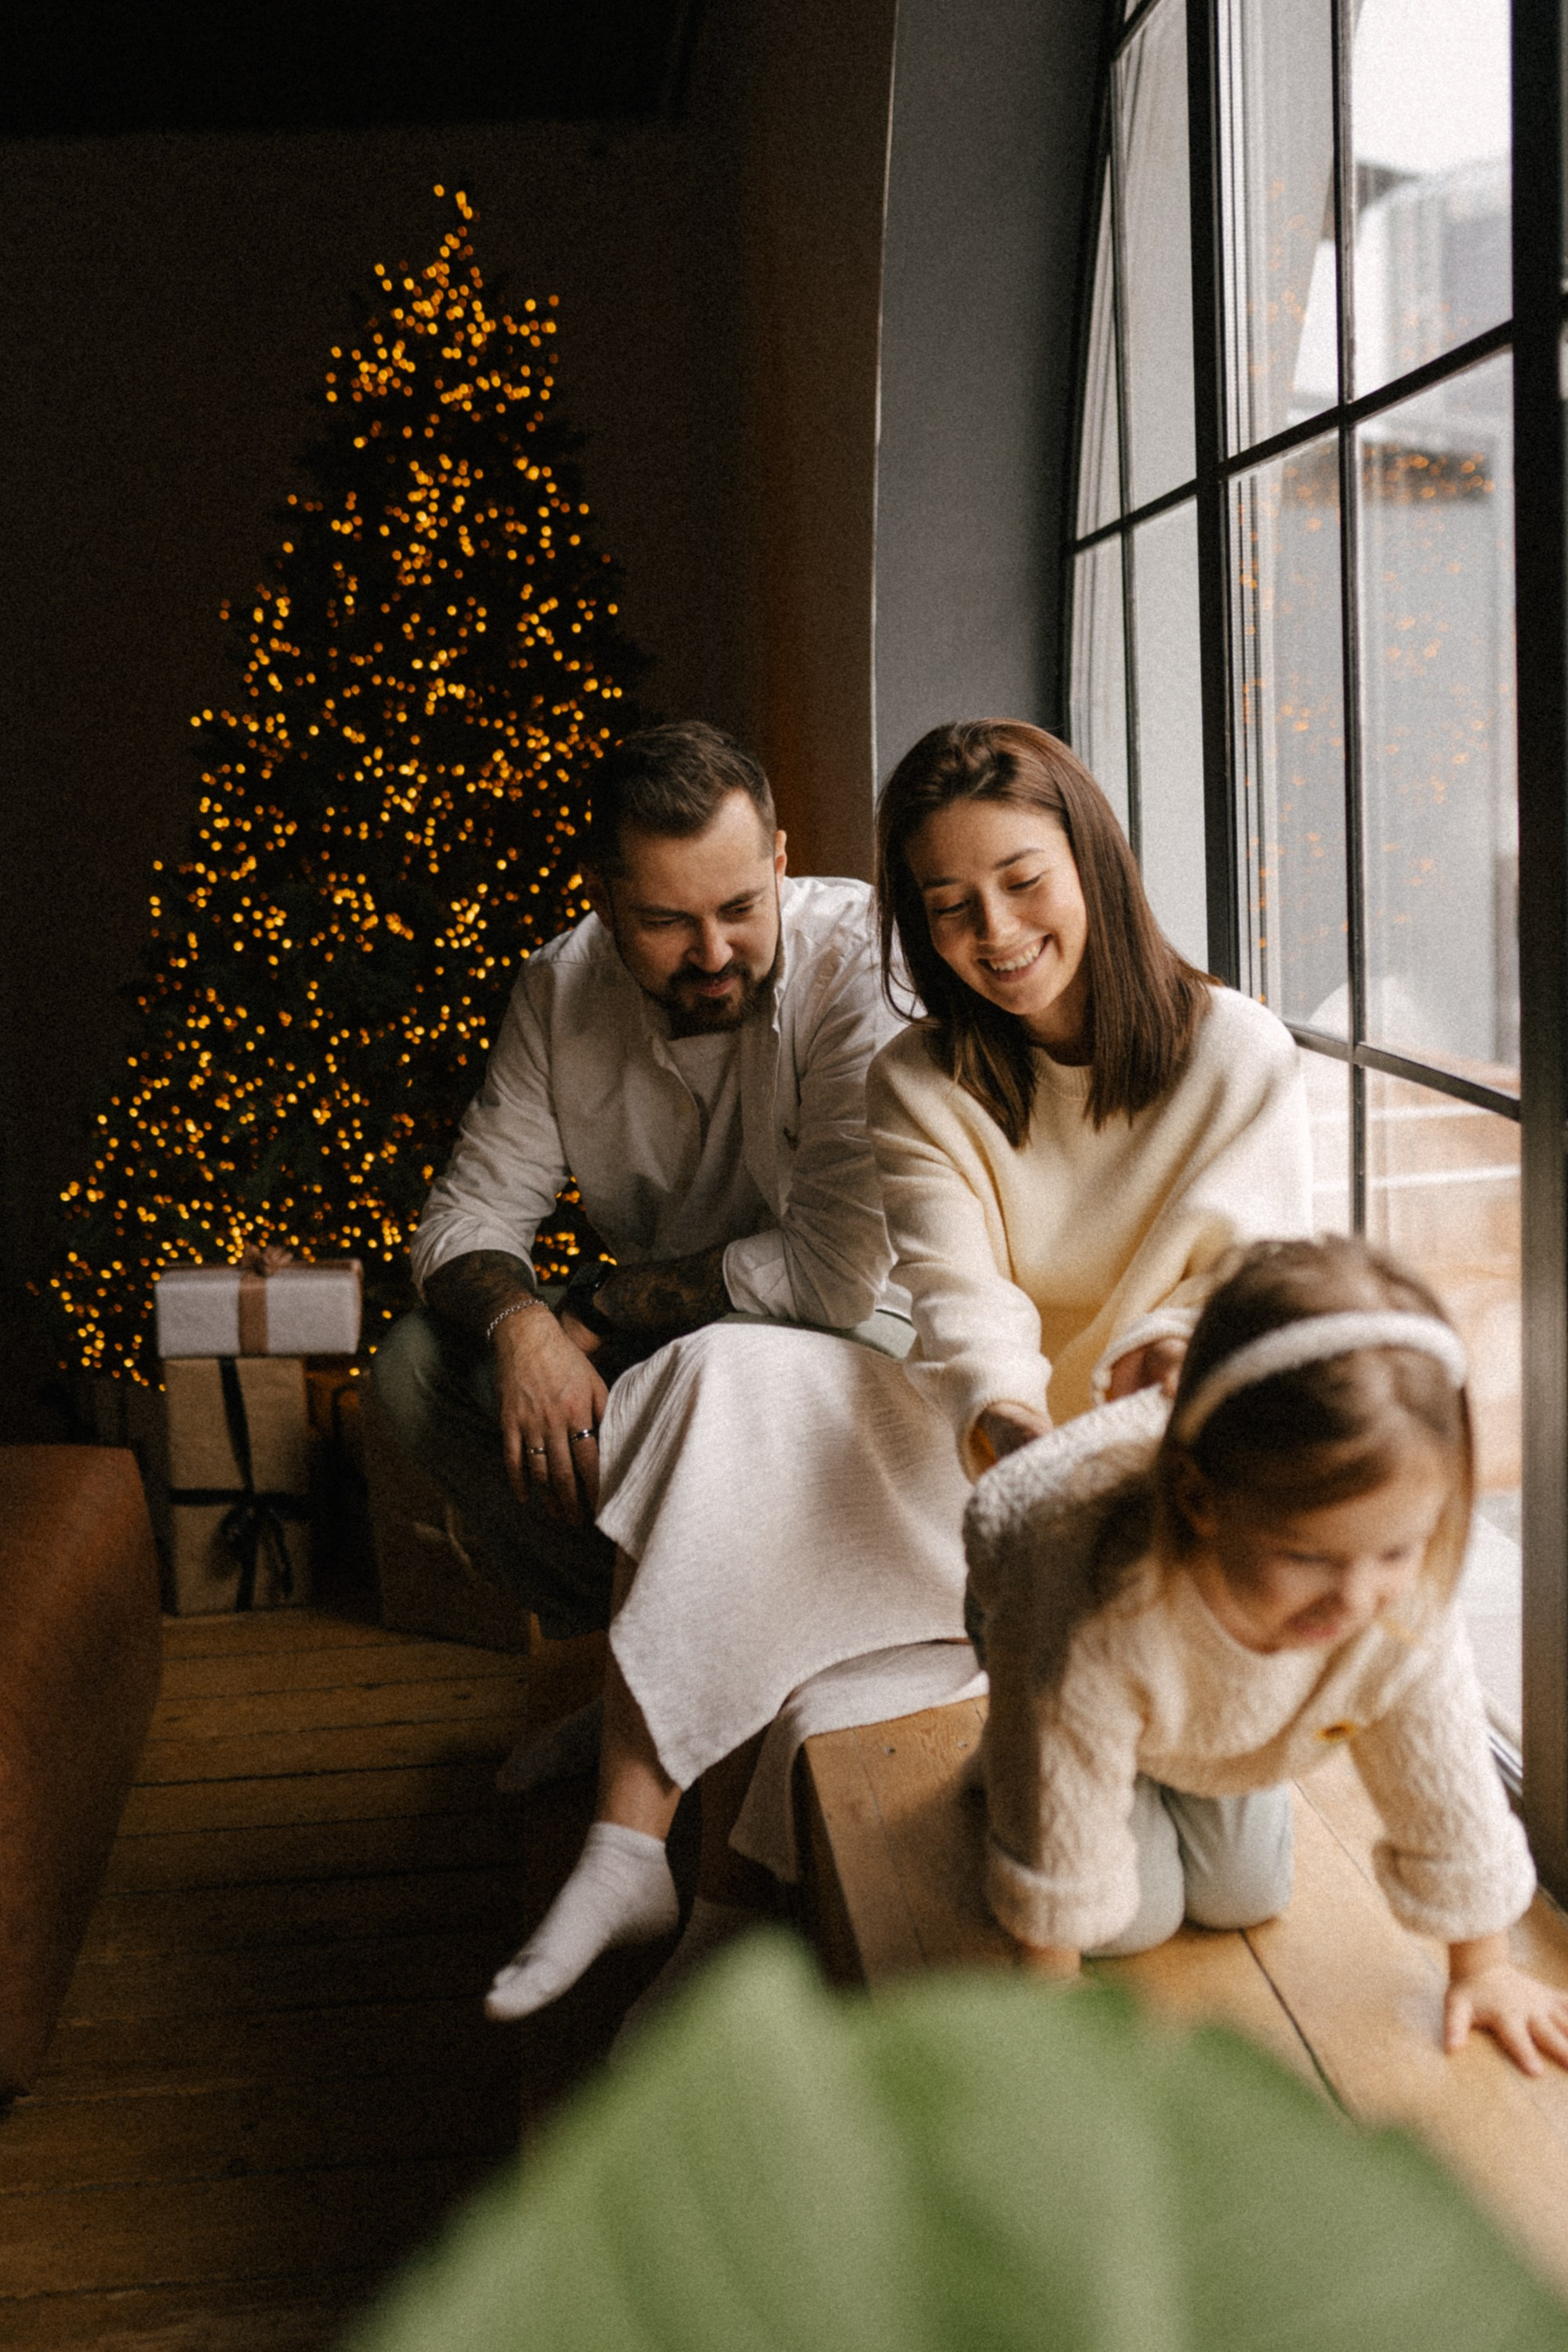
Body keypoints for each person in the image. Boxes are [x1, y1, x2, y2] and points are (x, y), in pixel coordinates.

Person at [484, 717, 1312, 2024]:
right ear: (919, 928)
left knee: (1200, 1885)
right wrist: (1009, 1456)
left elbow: (1248, 1305)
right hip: (986, 1463)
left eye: (1023, 881)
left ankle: (719, 1894)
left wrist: (1145, 1402)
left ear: (1093, 858)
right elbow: (967, 1310)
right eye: (950, 906)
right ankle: (651, 1868)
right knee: (722, 1378)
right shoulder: (919, 1077)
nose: (996, 931)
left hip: (1165, 1488)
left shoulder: (1240, 1056)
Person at [966, 1234, 1567, 2078]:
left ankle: (1172, 1767)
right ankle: (993, 1767)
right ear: (1198, 1501)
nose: (1354, 1599)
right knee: (1123, 1919)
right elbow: (1058, 1807)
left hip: (1207, 1714)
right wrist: (1053, 1998)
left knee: (1241, 1897)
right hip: (1034, 1636)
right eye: (1309, 1557)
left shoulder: (1395, 1613)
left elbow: (1446, 1779)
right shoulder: (1101, 1612)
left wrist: (1485, 1967)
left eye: (1395, 1551)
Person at [373, 719, 908, 1651]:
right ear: (606, 901)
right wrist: (523, 1328)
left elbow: (831, 1275)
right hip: (672, 1337)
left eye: (741, 906)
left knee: (721, 1372)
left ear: (780, 860)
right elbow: (462, 1219)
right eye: (667, 920)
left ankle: (706, 1668)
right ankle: (636, 1650)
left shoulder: (862, 963)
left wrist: (602, 1305)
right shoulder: (558, 988)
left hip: (865, 1331)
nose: (711, 952)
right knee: (415, 1372)